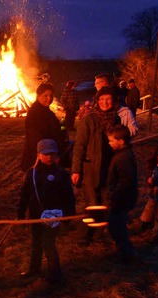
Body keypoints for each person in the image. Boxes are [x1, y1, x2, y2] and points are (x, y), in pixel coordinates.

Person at [17, 139, 75, 283]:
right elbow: (24, 194)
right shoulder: (33, 173)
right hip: (36, 214)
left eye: (52, 154)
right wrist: (21, 213)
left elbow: (68, 195)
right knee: (36, 241)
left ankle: (55, 273)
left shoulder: (61, 174)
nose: (49, 157)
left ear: (56, 155)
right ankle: (34, 268)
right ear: (38, 155)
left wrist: (69, 214)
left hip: (54, 215)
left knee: (48, 243)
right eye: (45, 153)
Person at [71, 86, 119, 245]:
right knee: (91, 203)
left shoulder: (116, 119)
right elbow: (79, 146)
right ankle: (86, 234)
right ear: (97, 101)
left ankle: (99, 233)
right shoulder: (89, 120)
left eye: (109, 99)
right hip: (90, 168)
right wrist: (76, 170)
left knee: (105, 202)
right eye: (102, 99)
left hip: (108, 168)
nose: (105, 102)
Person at [105, 124, 138, 262]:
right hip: (121, 197)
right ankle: (123, 250)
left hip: (121, 198)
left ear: (121, 141)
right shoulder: (121, 154)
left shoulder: (123, 158)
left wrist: (114, 196)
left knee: (116, 225)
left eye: (111, 140)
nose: (109, 143)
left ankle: (126, 253)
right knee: (117, 224)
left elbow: (125, 181)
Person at [20, 83, 67, 171]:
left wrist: (63, 127)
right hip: (42, 156)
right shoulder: (34, 113)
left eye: (51, 96)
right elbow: (34, 137)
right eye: (45, 96)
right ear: (38, 96)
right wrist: (47, 154)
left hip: (50, 153)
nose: (49, 98)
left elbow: (58, 128)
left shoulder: (46, 110)